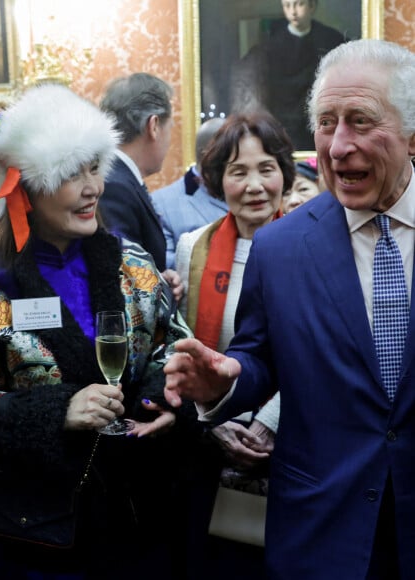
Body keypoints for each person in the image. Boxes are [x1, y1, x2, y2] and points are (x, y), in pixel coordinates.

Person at [164, 39, 415, 579]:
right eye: (326, 123)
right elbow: (261, 358)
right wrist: (228, 381)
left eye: (361, 121)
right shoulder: (281, 247)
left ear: (412, 134)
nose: (338, 145)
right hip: (323, 532)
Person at [0, 82, 201, 579]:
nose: (92, 187)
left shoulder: (135, 267)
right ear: (25, 188)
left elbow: (173, 351)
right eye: (70, 174)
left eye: (94, 167)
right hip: (34, 535)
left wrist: (160, 400)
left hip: (136, 520)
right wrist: (56, 412)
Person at [174, 112, 294, 578]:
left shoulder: (312, 244)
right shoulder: (192, 248)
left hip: (289, 439)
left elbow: (318, 354)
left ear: (284, 172)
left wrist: (267, 424)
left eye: (266, 168)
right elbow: (184, 345)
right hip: (209, 443)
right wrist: (214, 421)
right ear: (217, 180)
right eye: (238, 171)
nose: (254, 185)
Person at [98, 73, 182, 300]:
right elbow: (122, 278)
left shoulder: (119, 179)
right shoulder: (115, 187)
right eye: (170, 128)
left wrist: (159, 278)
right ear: (153, 126)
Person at [231, 0, 346, 150]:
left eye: (299, 4)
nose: (293, 12)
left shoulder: (331, 39)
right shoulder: (270, 46)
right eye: (287, 5)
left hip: (319, 121)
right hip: (284, 123)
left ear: (312, 6)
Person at [151, 117, 229, 269]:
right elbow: (166, 267)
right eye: (228, 155)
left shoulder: (251, 194)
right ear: (207, 154)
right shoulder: (161, 204)